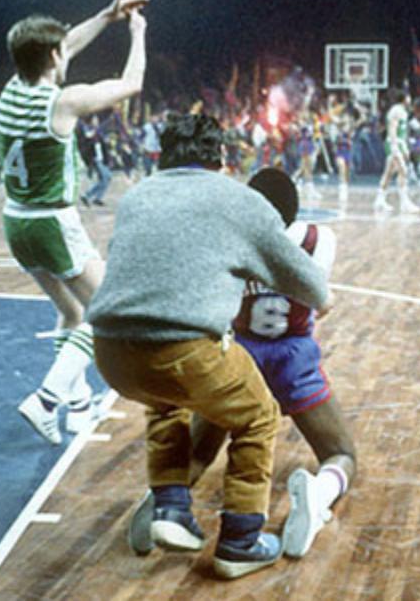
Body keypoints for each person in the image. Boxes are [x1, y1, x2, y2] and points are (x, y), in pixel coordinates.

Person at [86, 114, 332, 579]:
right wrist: (325, 299)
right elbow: (311, 284)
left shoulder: (136, 196)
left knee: (164, 403)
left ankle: (172, 508)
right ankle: (239, 542)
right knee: (258, 415)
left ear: (165, 155)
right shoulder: (239, 200)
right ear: (221, 158)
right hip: (182, 348)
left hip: (111, 351)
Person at [127, 167, 356, 562]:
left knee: (200, 453)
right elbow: (322, 300)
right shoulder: (320, 239)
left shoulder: (229, 241)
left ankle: (162, 502)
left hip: (240, 356)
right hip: (293, 355)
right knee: (340, 453)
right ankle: (318, 495)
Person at [0, 0, 148, 444]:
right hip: (51, 223)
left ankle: (78, 407)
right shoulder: (62, 103)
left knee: (70, 310)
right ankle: (46, 400)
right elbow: (131, 84)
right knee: (107, 310)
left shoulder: (11, 90)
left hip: (15, 222)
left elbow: (68, 44)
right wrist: (136, 32)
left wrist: (104, 15)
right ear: (54, 55)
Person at [373, 91, 420, 212]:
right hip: (393, 144)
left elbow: (402, 132)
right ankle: (405, 203)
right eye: (408, 96)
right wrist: (394, 147)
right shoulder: (396, 110)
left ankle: (379, 200)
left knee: (388, 174)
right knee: (403, 171)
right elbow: (392, 129)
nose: (410, 99)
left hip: (399, 143)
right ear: (404, 98)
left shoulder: (404, 111)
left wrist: (404, 147)